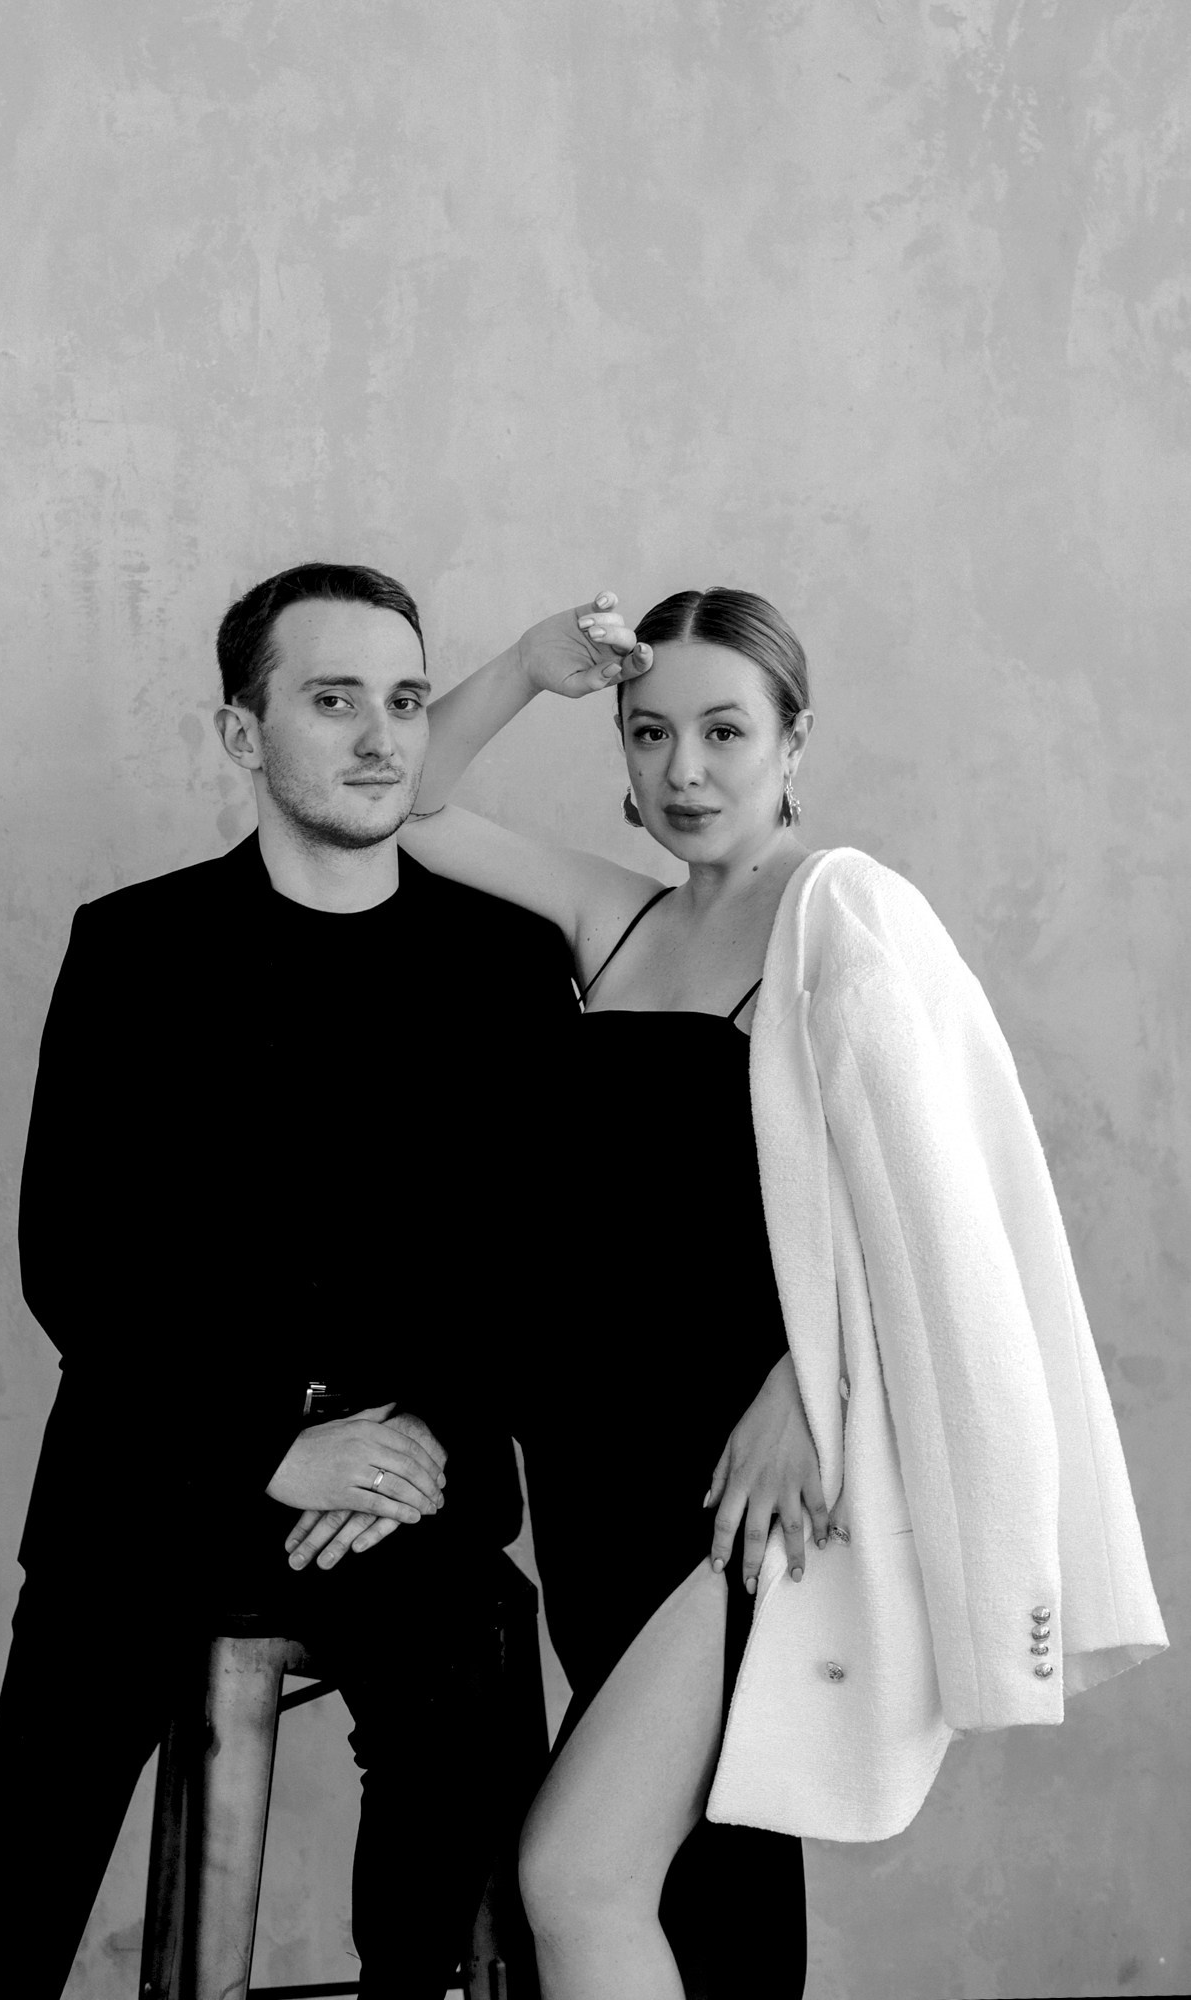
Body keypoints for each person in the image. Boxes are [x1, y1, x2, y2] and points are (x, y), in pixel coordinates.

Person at [397, 586, 1168, 2000]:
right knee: (706, 1876)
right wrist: (522, 668)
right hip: (591, 1465)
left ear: (793, 740)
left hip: (738, 1475)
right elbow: (409, 802)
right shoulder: (619, 922)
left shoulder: (842, 912)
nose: (684, 771)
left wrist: (811, 1390)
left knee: (579, 1874)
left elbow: (933, 1216)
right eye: (647, 734)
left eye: (724, 731)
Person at [0, 562, 578, 2000]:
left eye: (405, 699)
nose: (381, 738)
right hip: (156, 1478)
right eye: (332, 701)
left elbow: (533, 1262)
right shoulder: (134, 946)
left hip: (402, 1486)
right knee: (18, 1882)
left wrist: (417, 1439)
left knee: (463, 1760)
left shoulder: (509, 965)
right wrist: (269, 1444)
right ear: (241, 732)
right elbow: (74, 1257)